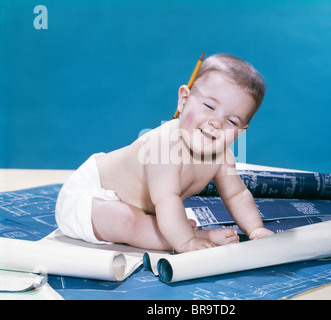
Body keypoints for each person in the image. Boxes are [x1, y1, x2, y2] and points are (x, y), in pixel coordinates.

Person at [55, 53, 274, 253]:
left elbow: (237, 195)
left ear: (241, 130)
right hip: (90, 195)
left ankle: (188, 235)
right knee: (127, 220)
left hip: (143, 208)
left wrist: (255, 229)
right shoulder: (164, 143)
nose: (215, 122)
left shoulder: (222, 156)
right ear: (184, 99)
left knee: (157, 220)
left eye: (232, 121)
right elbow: (166, 199)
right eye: (209, 106)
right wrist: (186, 243)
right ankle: (193, 237)